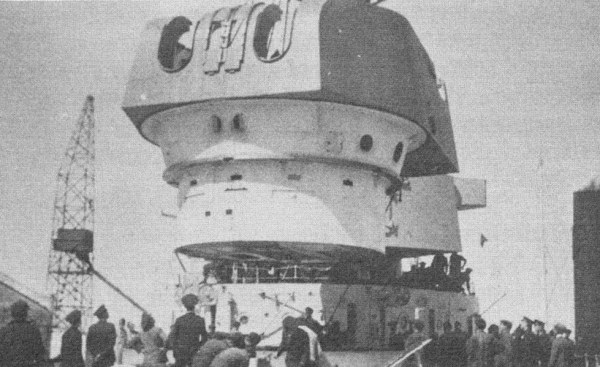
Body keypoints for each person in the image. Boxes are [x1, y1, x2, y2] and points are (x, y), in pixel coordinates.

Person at [0, 300, 46, 367]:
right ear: (26, 313)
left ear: (12, 313)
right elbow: (40, 354)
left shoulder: (4, 330)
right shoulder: (33, 330)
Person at [171, 294, 209, 367]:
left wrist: (176, 350)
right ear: (194, 306)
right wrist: (198, 347)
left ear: (185, 307)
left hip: (180, 353)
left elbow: (173, 337)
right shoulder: (200, 320)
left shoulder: (179, 320)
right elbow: (205, 338)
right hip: (194, 352)